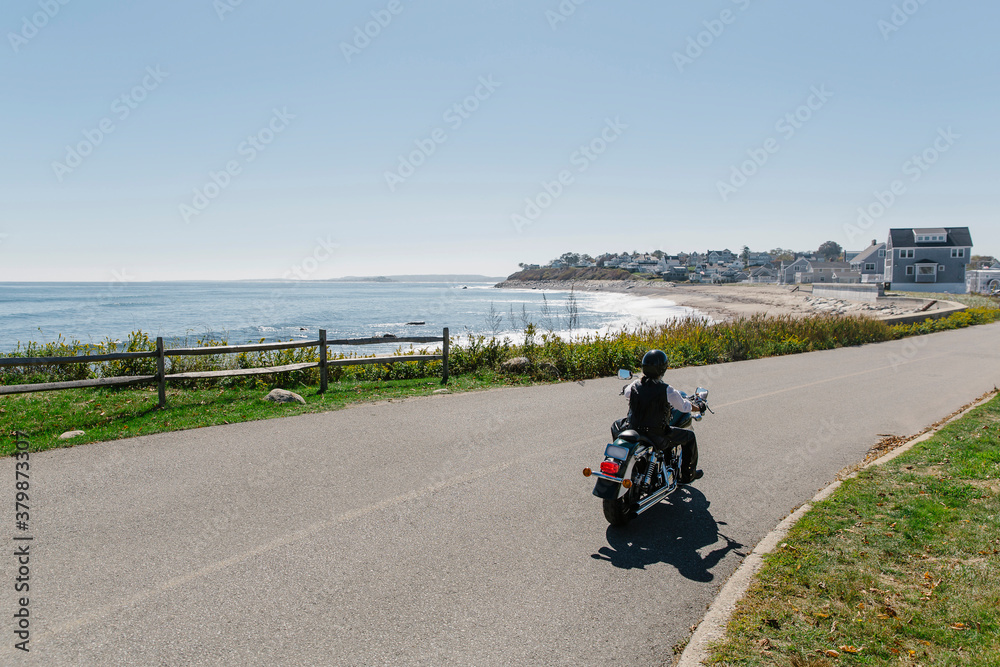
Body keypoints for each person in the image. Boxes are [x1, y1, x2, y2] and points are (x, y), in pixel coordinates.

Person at [622, 349, 704, 484]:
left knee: (616, 425)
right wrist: (699, 406)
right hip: (657, 434)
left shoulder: (635, 385)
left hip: (633, 428)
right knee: (690, 437)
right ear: (663, 369)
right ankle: (688, 474)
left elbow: (626, 392)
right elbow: (684, 406)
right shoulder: (667, 389)